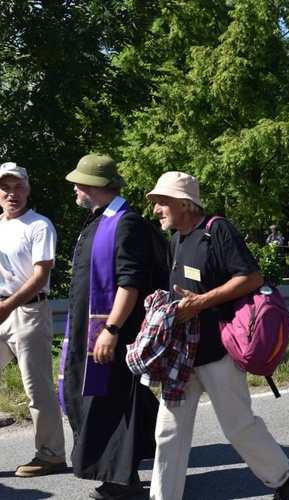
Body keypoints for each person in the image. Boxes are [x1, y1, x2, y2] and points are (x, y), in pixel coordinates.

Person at [146, 171, 289, 500]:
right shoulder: (175, 240)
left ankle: (285, 477)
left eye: (162, 202)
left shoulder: (216, 230)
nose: (156, 209)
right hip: (183, 354)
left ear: (184, 203)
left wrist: (202, 302)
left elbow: (250, 277)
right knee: (168, 432)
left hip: (220, 350)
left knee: (237, 427)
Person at [60, 154, 160, 498]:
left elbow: (129, 282)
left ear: (97, 186)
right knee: (106, 398)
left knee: (110, 401)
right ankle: (160, 443)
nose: (75, 188)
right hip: (89, 327)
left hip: (109, 331)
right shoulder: (100, 219)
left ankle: (124, 481)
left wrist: (112, 329)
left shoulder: (125, 223)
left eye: (80, 183)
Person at [0, 162, 67, 477]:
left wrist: (9, 306)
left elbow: (41, 276)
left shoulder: (39, 225)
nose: (12, 194)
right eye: (6, 188)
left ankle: (51, 455)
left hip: (27, 310)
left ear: (28, 190)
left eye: (18, 187)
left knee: (37, 388)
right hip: (1, 310)